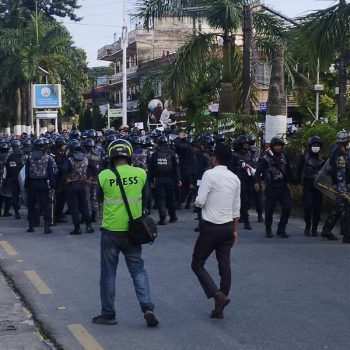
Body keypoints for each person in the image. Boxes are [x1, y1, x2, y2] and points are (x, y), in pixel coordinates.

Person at [93, 139, 158, 327]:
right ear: (129, 155)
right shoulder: (140, 174)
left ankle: (108, 314)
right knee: (138, 270)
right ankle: (147, 308)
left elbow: (98, 199)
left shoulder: (104, 175)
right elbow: (147, 201)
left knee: (108, 274)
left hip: (110, 232)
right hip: (134, 232)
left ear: (111, 156)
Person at [192, 144, 240, 319]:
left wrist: (198, 201)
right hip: (228, 227)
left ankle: (217, 295)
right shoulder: (235, 178)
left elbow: (200, 201)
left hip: (211, 227)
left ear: (214, 158)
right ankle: (219, 307)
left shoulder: (209, 175)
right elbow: (236, 210)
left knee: (197, 263)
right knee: (224, 266)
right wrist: (234, 231)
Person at [253, 136, 295, 238]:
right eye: (276, 145)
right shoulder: (265, 158)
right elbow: (258, 172)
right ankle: (268, 229)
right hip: (272, 186)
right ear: (272, 146)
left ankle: (281, 228)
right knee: (269, 209)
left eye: (279, 145)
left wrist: (295, 182)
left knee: (287, 207)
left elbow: (289, 171)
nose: (278, 147)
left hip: (283, 186)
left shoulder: (284, 157)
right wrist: (256, 182)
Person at [321, 131, 350, 243]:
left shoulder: (340, 151)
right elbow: (340, 173)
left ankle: (326, 230)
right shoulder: (340, 155)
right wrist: (343, 191)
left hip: (342, 184)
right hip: (342, 185)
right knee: (346, 210)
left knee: (338, 208)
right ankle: (347, 235)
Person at [62, 140, 95, 235]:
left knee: (74, 208)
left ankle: (77, 228)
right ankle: (89, 226)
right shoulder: (86, 159)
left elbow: (63, 169)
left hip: (72, 185)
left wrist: (68, 176)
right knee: (85, 206)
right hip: (83, 185)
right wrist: (90, 178)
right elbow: (94, 169)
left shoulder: (70, 160)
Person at [25, 138, 56, 234]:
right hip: (43, 183)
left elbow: (26, 172)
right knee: (46, 205)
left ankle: (31, 226)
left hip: (32, 183)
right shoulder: (48, 158)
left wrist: (26, 185)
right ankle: (46, 227)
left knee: (31, 205)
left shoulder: (30, 157)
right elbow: (51, 173)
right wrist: (52, 186)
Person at [148, 135, 181, 225]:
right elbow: (176, 168)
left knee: (160, 199)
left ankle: (162, 218)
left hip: (159, 180)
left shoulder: (154, 155)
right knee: (171, 199)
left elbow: (151, 169)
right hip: (170, 180)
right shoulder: (172, 153)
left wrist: (150, 181)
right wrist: (178, 180)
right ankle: (173, 216)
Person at [297, 136, 325, 236]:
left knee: (317, 208)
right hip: (308, 183)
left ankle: (314, 228)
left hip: (319, 185)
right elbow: (299, 170)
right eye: (314, 145)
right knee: (307, 206)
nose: (316, 147)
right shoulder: (305, 157)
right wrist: (297, 184)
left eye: (318, 145)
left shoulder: (323, 158)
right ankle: (308, 225)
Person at [5, 139, 26, 219]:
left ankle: (17, 213)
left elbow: (7, 168)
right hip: (23, 179)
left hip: (13, 179)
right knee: (25, 195)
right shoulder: (23, 155)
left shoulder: (10, 157)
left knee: (15, 196)